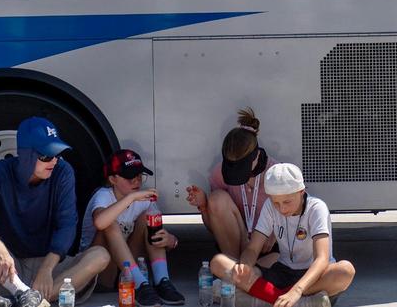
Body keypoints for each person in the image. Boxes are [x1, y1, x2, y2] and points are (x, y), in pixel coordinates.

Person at [0, 117, 108, 307]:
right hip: (10, 267)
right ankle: (20, 292)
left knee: (101, 255)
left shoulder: (63, 171)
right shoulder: (1, 173)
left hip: (53, 267)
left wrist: (47, 269)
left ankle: (32, 300)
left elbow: (67, 225)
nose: (53, 161)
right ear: (26, 155)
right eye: (46, 156)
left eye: (57, 154)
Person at [210, 163, 355, 307]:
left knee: (345, 270)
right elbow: (253, 249)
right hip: (283, 271)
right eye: (276, 203)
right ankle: (301, 303)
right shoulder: (269, 206)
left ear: (301, 192)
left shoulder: (317, 208)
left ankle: (267, 299)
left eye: (287, 202)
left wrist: (296, 291)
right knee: (219, 263)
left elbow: (322, 259)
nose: (282, 208)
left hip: (314, 277)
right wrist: (245, 265)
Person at [81, 150, 184, 307]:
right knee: (110, 224)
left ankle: (162, 280)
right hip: (101, 272)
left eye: (139, 175)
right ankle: (139, 284)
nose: (137, 181)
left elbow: (159, 236)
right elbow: (100, 223)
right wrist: (131, 198)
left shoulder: (141, 198)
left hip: (128, 267)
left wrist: (171, 240)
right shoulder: (104, 195)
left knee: (150, 218)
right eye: (130, 177)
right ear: (112, 179)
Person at [185, 108, 279, 262]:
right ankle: (235, 268)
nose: (235, 172)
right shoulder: (219, 172)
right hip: (237, 243)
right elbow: (214, 228)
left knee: (271, 266)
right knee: (216, 198)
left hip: (266, 246)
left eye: (241, 168)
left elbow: (296, 216)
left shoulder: (278, 173)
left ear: (255, 156)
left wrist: (275, 234)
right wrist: (204, 206)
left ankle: (239, 275)